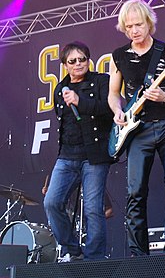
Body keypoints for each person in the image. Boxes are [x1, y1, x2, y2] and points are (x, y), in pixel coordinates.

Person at [108, 0, 165, 256]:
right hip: (138, 130)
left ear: (149, 23)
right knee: (135, 191)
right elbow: (113, 93)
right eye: (129, 26)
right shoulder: (119, 56)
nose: (134, 30)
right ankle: (137, 253)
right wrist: (118, 111)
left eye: (138, 24)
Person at [44, 41, 114, 262]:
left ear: (88, 60)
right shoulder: (59, 89)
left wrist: (79, 101)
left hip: (94, 155)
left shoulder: (102, 81)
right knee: (52, 202)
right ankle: (73, 251)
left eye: (82, 59)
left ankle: (94, 260)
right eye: (72, 61)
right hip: (66, 156)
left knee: (94, 209)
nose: (78, 64)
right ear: (65, 64)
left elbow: (109, 110)